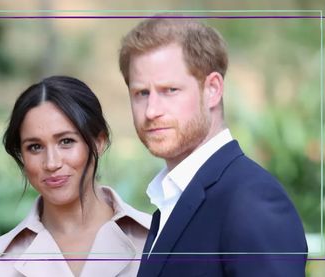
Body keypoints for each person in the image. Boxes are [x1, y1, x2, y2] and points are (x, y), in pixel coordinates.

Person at [118, 17, 308, 276]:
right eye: (141, 93)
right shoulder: (171, 202)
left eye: (170, 90)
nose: (151, 111)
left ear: (213, 90)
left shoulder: (252, 200)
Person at [0, 76, 150, 277]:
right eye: (35, 147)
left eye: (66, 141)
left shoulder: (159, 239)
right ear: (21, 155)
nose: (52, 163)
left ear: (99, 142)